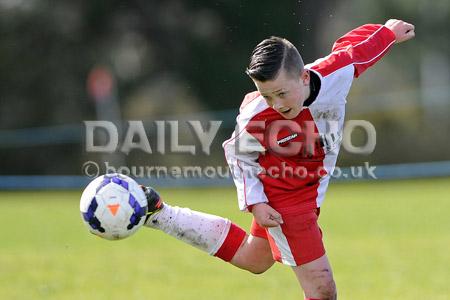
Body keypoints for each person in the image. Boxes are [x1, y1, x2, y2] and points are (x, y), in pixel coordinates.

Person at [141, 19, 415, 300]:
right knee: (322, 289)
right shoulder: (257, 115)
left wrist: (388, 33)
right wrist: (255, 202)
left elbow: (357, 53)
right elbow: (237, 155)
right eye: (267, 96)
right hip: (286, 196)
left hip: (309, 188)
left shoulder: (334, 73)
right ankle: (160, 213)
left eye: (282, 93)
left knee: (255, 258)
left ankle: (159, 214)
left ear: (304, 77)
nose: (277, 104)